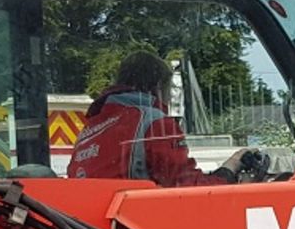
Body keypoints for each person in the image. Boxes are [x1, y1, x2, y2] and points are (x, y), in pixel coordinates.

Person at [67, 51, 260, 186]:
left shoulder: (90, 130)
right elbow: (186, 188)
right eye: (170, 90)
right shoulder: (153, 123)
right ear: (158, 86)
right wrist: (229, 171)